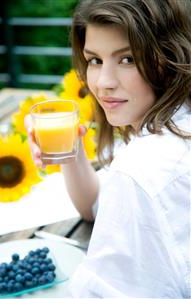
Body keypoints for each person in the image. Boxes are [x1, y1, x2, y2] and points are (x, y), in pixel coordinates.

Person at [25, 0, 191, 297]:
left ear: (169, 56)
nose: (103, 83)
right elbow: (96, 208)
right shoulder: (174, 127)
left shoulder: (142, 167)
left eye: (127, 59)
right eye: (94, 60)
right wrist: (70, 147)